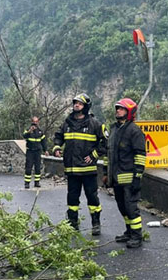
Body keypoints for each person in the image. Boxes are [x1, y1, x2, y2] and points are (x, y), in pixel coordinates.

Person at [53, 93, 108, 235]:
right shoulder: (67, 123)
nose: (76, 105)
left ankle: (96, 224)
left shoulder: (94, 124)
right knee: (72, 198)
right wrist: (57, 147)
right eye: (75, 103)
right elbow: (58, 136)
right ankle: (72, 223)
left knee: (92, 197)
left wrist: (94, 155)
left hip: (88, 169)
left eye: (80, 103)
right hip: (72, 169)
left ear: (86, 106)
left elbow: (105, 142)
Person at [103, 98, 147, 248]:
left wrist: (137, 177)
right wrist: (106, 173)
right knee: (122, 207)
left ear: (129, 112)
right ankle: (129, 232)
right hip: (116, 178)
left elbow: (140, 155)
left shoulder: (134, 131)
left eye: (121, 109)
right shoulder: (114, 129)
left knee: (131, 208)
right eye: (117, 108)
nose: (118, 111)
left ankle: (137, 236)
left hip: (129, 179)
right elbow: (108, 154)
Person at [23, 116, 48, 188]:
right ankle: (27, 183)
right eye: (34, 121)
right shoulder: (27, 130)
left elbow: (43, 142)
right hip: (30, 151)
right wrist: (29, 131)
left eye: (36, 121)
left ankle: (37, 182)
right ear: (31, 122)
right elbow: (24, 136)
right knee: (28, 167)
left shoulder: (40, 131)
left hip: (38, 151)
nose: (35, 123)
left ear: (38, 122)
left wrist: (45, 150)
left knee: (38, 167)